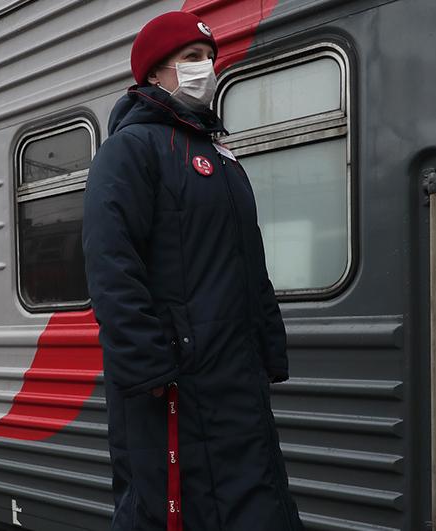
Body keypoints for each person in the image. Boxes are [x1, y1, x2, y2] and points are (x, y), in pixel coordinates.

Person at [81, 10, 304, 531]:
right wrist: (149, 367)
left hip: (236, 380)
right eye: (191, 57)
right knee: (174, 510)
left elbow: (250, 263)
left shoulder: (222, 157)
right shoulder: (129, 151)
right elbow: (111, 265)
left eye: (209, 57)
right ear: (155, 72)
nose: (205, 67)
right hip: (176, 386)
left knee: (255, 501)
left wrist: (269, 346)